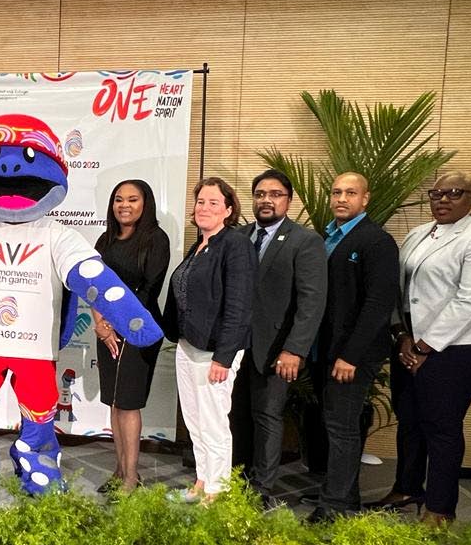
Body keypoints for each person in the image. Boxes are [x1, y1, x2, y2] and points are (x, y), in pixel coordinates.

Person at [369, 172, 471, 526]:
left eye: (454, 193)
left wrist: (426, 346)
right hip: (411, 339)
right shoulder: (418, 234)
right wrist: (402, 335)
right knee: (409, 418)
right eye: (436, 193)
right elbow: (398, 289)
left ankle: (441, 508)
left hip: (461, 344)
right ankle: (407, 487)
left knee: (441, 424)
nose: (443, 200)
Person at [308, 172, 399, 523]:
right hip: (325, 351)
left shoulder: (376, 241)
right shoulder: (328, 238)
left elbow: (378, 304)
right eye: (336, 192)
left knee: (342, 429)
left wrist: (350, 356)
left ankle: (334, 507)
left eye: (350, 192)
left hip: (350, 356)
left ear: (366, 199)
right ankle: (345, 497)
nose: (341, 198)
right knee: (334, 426)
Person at [233, 169, 327, 503]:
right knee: (237, 416)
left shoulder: (305, 241)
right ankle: (237, 480)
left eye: (275, 194)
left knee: (267, 417)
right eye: (260, 194)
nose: (266, 200)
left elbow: (311, 302)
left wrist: (294, 350)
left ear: (288, 200)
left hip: (276, 349)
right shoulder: (239, 236)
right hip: (236, 349)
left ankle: (262, 489)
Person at [164, 177, 256, 504]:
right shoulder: (200, 244)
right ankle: (202, 481)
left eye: (213, 203)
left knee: (214, 423)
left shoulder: (236, 244)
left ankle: (218, 491)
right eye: (200, 201)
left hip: (215, 352)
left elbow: (239, 304)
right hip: (188, 347)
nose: (204, 208)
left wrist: (224, 357)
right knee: (195, 421)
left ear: (229, 210)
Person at [91, 179, 170, 494]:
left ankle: (131, 478)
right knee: (114, 402)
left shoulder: (155, 239)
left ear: (145, 203)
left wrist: (117, 324)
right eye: (118, 199)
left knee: (129, 403)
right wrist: (101, 323)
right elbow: (92, 284)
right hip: (106, 330)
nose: (124, 205)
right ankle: (120, 470)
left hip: (139, 331)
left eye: (132, 199)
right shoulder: (105, 239)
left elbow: (149, 290)